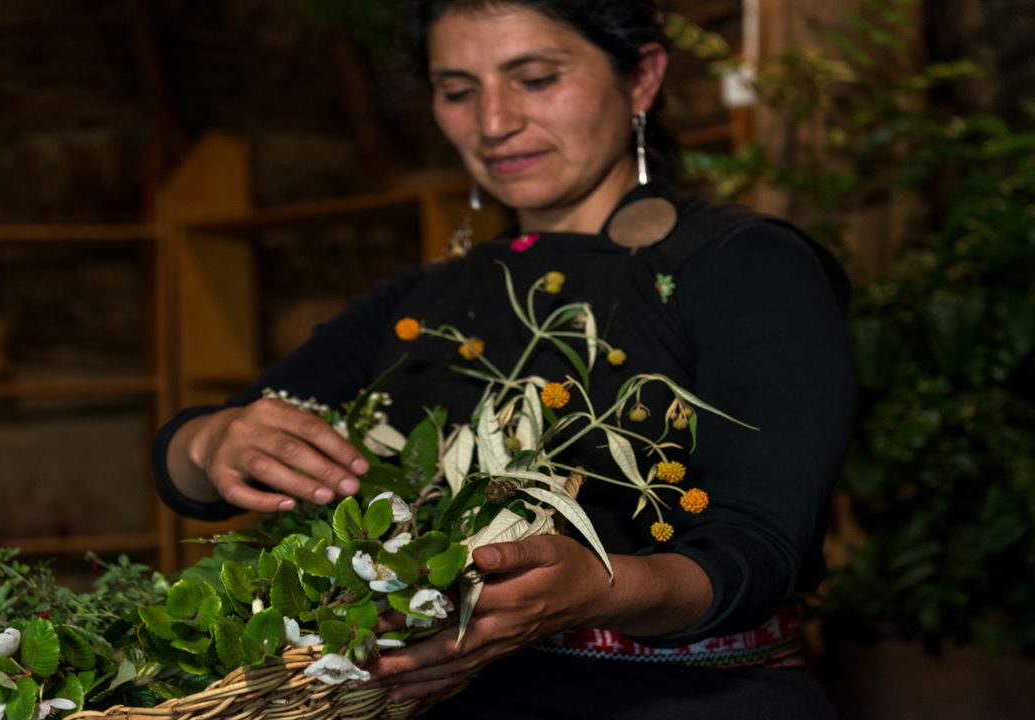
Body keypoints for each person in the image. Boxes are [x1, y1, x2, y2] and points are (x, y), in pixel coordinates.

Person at [153, 1, 855, 717]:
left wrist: (595, 589)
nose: (493, 124)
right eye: (457, 91)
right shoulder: (424, 295)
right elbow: (201, 462)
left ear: (642, 77)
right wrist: (212, 441)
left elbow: (756, 551)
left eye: (537, 79)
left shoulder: (744, 265)